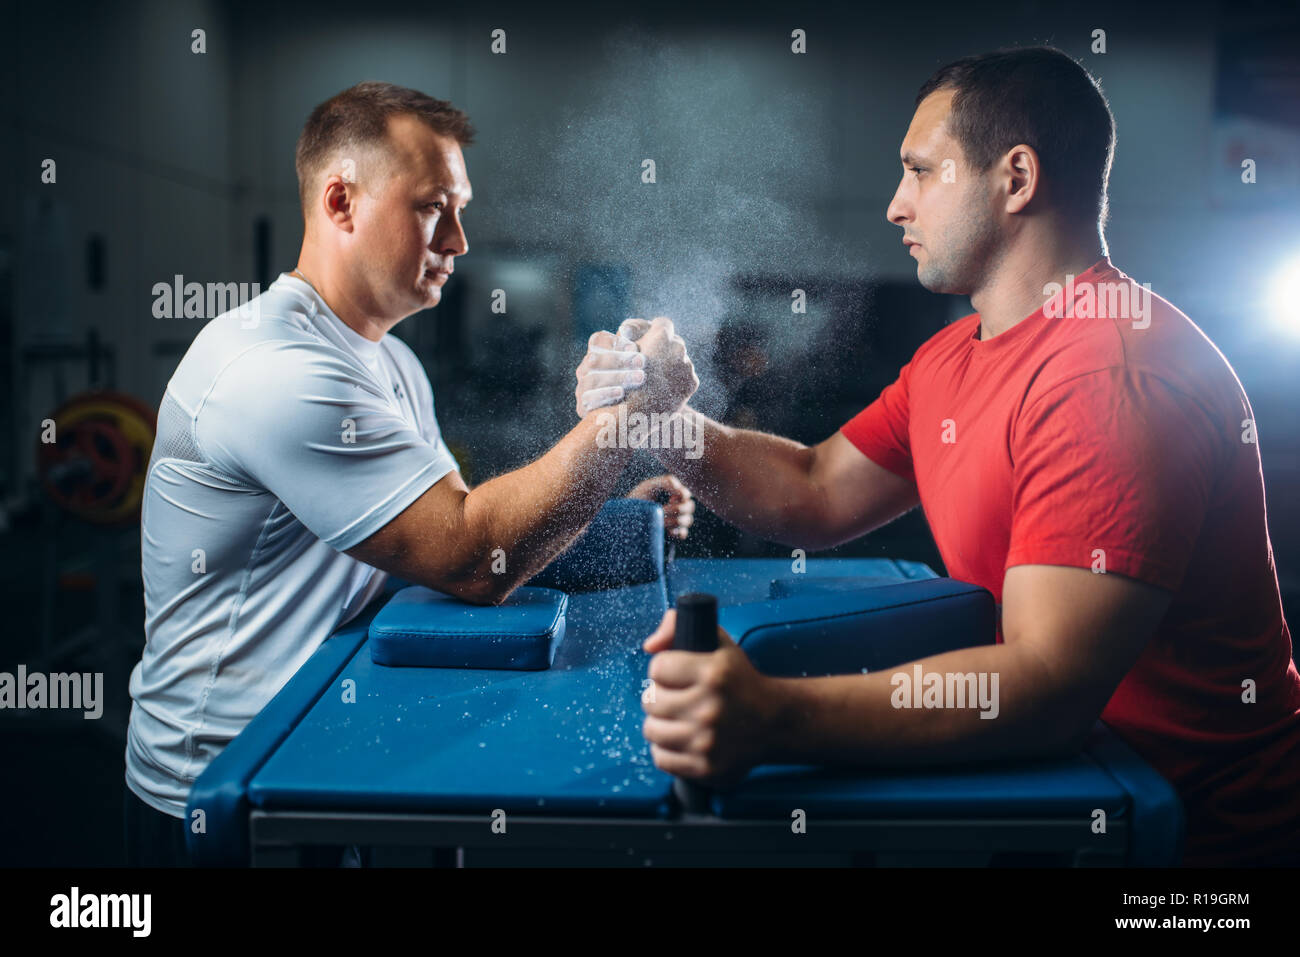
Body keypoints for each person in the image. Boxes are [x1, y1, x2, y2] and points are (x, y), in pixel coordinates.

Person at [589, 47, 1300, 866]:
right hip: (1074, 800)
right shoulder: (955, 358)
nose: (896, 205)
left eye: (922, 172)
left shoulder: (1112, 374)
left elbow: (1047, 685)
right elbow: (814, 490)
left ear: (1017, 178)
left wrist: (773, 715)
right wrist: (660, 419)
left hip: (1199, 848)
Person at [124, 82, 696, 865]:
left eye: (459, 208)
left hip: (329, 739)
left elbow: (433, 540)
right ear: (340, 202)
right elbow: (466, 555)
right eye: (433, 207)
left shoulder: (391, 362)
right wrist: (624, 417)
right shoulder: (274, 369)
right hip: (227, 790)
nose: (458, 240)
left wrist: (622, 522)